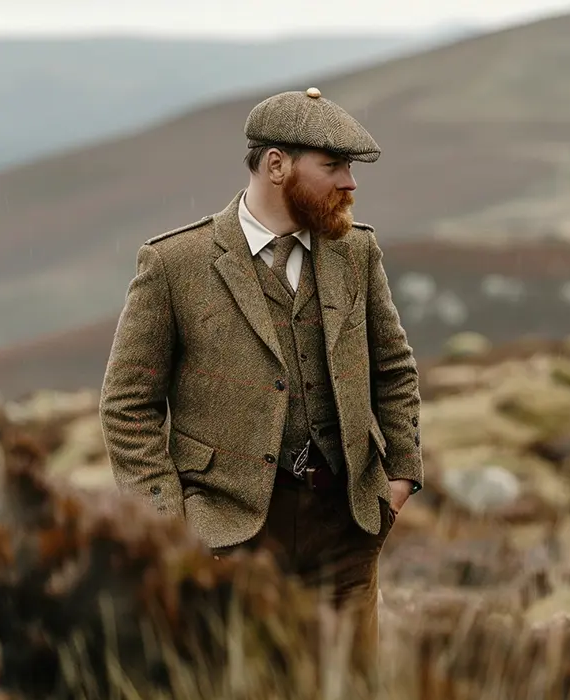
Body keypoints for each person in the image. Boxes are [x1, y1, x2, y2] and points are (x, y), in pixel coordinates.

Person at [99, 86, 423, 684]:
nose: (350, 183)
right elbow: (128, 408)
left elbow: (393, 371)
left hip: (346, 526)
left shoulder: (356, 251)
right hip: (225, 531)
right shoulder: (175, 263)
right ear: (276, 165)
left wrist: (397, 482)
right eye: (334, 167)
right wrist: (170, 523)